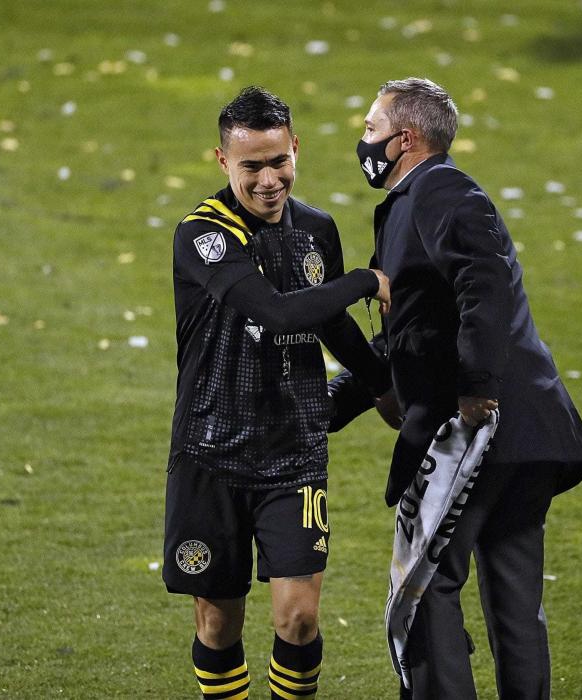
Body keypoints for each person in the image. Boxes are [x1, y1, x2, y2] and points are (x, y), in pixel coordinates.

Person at [352, 77, 582, 699]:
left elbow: (482, 282)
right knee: (515, 599)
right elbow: (416, 330)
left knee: (426, 586)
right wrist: (337, 397)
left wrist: (475, 388)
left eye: (370, 129)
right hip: (529, 430)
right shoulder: (422, 199)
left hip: (479, 432)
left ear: (404, 139)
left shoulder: (439, 190)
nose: (363, 140)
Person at [163, 86, 392, 700]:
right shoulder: (202, 235)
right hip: (212, 451)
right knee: (218, 622)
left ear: (296, 148)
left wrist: (380, 384)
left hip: (294, 449)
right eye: (251, 166)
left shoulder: (316, 228)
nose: (269, 180)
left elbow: (330, 323)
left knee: (299, 617)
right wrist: (365, 280)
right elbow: (275, 311)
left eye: (278, 161)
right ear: (221, 161)